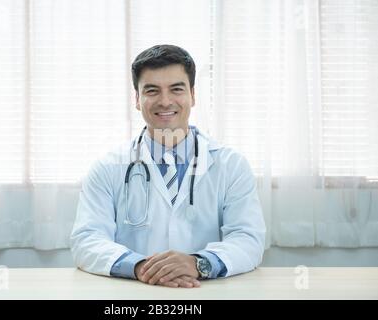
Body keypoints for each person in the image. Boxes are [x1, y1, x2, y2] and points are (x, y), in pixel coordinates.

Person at [70, 44, 266, 288]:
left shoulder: (231, 165)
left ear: (192, 95)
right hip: (133, 294)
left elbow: (248, 239)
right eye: (152, 91)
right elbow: (87, 240)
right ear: (137, 99)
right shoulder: (107, 167)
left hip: (208, 292)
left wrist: (198, 263)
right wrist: (140, 267)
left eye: (176, 89)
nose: (165, 101)